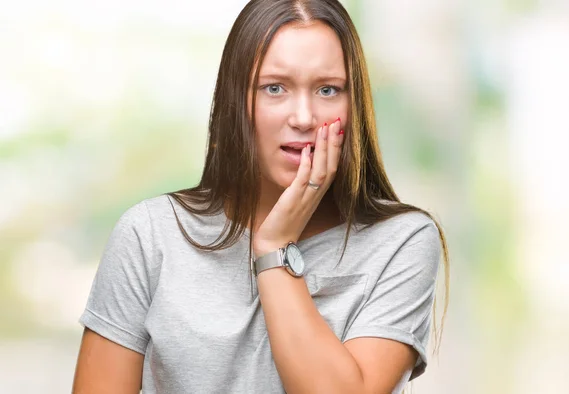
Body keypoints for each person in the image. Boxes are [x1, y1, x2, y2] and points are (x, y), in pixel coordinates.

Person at [72, 0, 450, 393]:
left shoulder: (402, 241)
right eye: (274, 88)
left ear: (354, 106)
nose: (304, 118)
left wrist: (274, 249)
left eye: (327, 89)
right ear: (236, 102)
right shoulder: (150, 234)